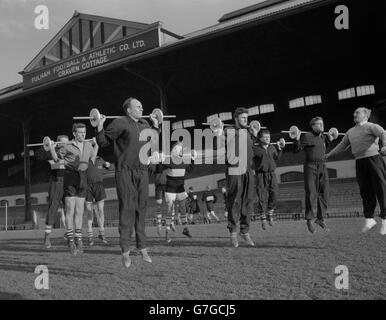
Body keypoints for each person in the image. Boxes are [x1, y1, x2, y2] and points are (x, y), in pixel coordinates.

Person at [96, 97, 159, 268]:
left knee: (142, 209)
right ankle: (125, 250)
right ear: (128, 110)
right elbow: (102, 142)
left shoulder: (145, 124)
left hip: (143, 171)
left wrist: (155, 125)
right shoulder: (119, 123)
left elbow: (153, 141)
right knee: (127, 209)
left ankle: (142, 247)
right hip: (125, 171)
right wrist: (100, 126)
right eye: (137, 106)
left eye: (141, 106)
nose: (141, 108)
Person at [326, 107, 386, 235]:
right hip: (360, 162)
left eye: (357, 112)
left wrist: (385, 145)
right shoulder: (350, 132)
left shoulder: (371, 126)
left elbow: (383, 134)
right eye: (354, 112)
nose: (354, 114)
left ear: (365, 115)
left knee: (381, 188)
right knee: (365, 190)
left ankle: (385, 219)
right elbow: (342, 146)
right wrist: (328, 155)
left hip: (374, 159)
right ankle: (369, 218)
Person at [220, 107, 258, 247]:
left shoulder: (249, 132)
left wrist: (254, 135)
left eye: (246, 118)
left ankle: (245, 231)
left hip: (248, 169)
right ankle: (233, 233)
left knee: (248, 200)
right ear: (236, 118)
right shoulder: (228, 131)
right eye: (243, 118)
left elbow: (250, 150)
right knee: (234, 199)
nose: (245, 120)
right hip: (234, 168)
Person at [293, 117, 333, 233]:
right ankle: (309, 219)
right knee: (311, 193)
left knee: (324, 193)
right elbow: (296, 150)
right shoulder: (307, 136)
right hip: (310, 167)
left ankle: (320, 219)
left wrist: (331, 138)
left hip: (322, 166)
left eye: (322, 123)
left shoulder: (323, 136)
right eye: (319, 124)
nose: (321, 126)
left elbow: (325, 147)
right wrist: (296, 139)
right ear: (313, 126)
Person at [62, 124, 96, 254]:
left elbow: (93, 157)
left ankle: (79, 239)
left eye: (84, 132)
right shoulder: (66, 146)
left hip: (83, 177)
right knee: (70, 209)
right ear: (74, 133)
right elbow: (57, 158)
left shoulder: (88, 145)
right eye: (80, 132)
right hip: (70, 176)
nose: (83, 134)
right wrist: (52, 147)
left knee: (80, 211)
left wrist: (96, 143)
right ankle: (70, 240)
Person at [35, 135, 68, 249]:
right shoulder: (51, 152)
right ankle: (47, 237)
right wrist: (47, 145)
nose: (66, 145)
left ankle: (69, 234)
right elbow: (37, 155)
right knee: (53, 208)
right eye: (64, 143)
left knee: (69, 208)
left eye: (67, 143)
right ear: (58, 144)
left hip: (68, 183)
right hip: (56, 182)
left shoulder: (70, 152)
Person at [161, 142, 194, 242]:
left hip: (180, 189)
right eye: (178, 148)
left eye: (181, 148)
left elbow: (190, 169)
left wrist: (193, 159)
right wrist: (159, 160)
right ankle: (167, 232)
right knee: (170, 210)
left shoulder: (184, 161)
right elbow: (158, 169)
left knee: (183, 209)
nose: (181, 150)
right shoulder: (167, 160)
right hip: (170, 190)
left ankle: (185, 229)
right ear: (173, 150)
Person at [252, 129, 282, 230]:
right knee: (262, 197)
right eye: (265, 137)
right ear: (260, 138)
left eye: (268, 137)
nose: (268, 138)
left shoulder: (272, 147)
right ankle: (263, 219)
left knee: (275, 194)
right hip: (260, 175)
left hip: (272, 175)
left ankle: (270, 213)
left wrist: (280, 149)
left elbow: (276, 158)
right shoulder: (254, 148)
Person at [85, 152, 111, 247]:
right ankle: (90, 237)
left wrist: (108, 165)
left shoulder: (100, 159)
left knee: (101, 211)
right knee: (89, 212)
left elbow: (108, 168)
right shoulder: (85, 159)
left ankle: (102, 234)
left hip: (99, 186)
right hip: (88, 187)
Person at [153, 163, 167, 236]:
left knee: (165, 205)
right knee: (160, 205)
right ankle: (159, 223)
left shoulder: (165, 166)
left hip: (164, 186)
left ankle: (163, 222)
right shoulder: (157, 167)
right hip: (160, 186)